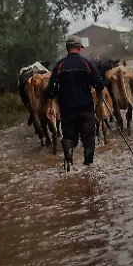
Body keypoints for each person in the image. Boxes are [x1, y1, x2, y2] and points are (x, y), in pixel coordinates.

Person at [46, 35, 105, 167]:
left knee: (68, 137)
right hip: (85, 108)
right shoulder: (86, 63)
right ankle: (88, 167)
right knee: (89, 138)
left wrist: (49, 107)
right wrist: (99, 98)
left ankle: (69, 164)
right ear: (79, 47)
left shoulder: (59, 65)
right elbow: (99, 83)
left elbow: (51, 89)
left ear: (67, 48)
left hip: (67, 109)